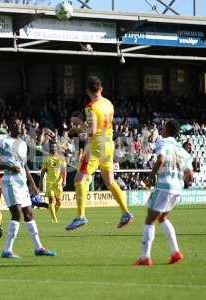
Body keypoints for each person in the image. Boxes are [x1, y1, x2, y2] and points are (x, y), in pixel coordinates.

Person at [66, 76, 133, 231]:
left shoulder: (91, 107)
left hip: (96, 146)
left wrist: (77, 124)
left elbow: (92, 130)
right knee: (110, 181)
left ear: (87, 91)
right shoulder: (108, 103)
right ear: (101, 88)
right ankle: (125, 212)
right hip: (109, 144)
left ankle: (81, 216)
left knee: (79, 180)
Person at [0, 118, 56, 258]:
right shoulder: (3, 142)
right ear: (9, 126)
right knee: (17, 214)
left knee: (29, 214)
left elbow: (24, 166)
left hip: (22, 183)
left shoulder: (23, 144)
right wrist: (8, 167)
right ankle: (7, 250)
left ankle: (39, 248)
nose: (19, 126)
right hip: (9, 182)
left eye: (20, 124)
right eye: (16, 124)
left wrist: (33, 185)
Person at [135, 120, 193, 266]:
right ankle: (175, 253)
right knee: (162, 218)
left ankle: (145, 257)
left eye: (163, 127)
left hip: (164, 186)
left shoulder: (163, 142)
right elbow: (190, 175)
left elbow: (160, 159)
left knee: (150, 219)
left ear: (166, 129)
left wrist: (150, 176)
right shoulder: (181, 149)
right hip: (177, 188)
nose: (161, 129)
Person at [39, 141, 66, 223]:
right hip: (49, 183)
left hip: (58, 183)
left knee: (59, 203)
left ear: (57, 148)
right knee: (51, 200)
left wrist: (64, 180)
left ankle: (53, 215)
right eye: (52, 147)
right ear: (49, 148)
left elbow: (64, 171)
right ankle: (54, 219)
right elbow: (43, 171)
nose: (53, 148)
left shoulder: (61, 158)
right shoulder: (46, 159)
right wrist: (40, 182)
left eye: (54, 147)